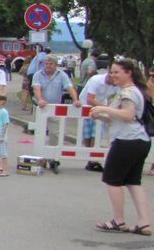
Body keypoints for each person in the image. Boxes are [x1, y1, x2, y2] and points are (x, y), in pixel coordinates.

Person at [89, 59, 150, 236]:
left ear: (128, 73)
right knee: (133, 181)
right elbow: (119, 117)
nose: (113, 75)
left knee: (112, 180)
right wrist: (101, 115)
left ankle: (118, 220)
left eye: (117, 72)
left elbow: (127, 115)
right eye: (111, 72)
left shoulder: (128, 93)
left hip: (127, 141)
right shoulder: (131, 91)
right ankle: (144, 223)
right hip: (139, 140)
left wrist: (102, 108)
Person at [32, 55, 81, 145]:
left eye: (51, 64)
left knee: (55, 133)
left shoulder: (62, 75)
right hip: (40, 106)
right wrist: (40, 99)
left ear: (56, 65)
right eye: (46, 64)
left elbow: (69, 87)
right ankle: (40, 154)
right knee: (39, 132)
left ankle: (53, 155)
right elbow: (36, 88)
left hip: (54, 107)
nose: (48, 65)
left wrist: (75, 100)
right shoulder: (38, 75)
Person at [80, 70, 117, 171]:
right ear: (109, 73)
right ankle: (90, 156)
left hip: (101, 105)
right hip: (86, 105)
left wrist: (111, 107)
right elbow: (90, 99)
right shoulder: (96, 80)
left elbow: (118, 98)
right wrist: (107, 108)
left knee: (97, 132)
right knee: (87, 134)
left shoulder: (117, 84)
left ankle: (93, 160)